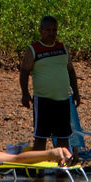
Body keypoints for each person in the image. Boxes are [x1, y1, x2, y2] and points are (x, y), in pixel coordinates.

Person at [19, 15, 81, 152]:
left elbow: (71, 71)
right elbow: (24, 72)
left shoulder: (62, 48)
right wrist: (25, 93)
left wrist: (76, 93)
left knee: (63, 137)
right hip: (43, 100)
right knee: (41, 137)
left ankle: (61, 170)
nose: (52, 33)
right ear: (41, 31)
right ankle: (38, 171)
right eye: (48, 30)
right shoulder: (34, 49)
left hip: (63, 100)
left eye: (54, 30)